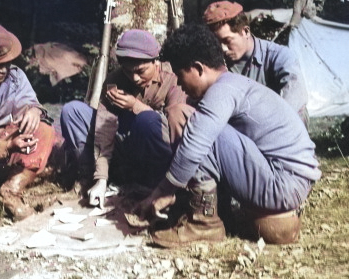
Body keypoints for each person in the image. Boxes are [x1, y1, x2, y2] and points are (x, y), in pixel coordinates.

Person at [136, 24, 321, 247]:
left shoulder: (223, 91)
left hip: (283, 184)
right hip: (289, 180)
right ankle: (213, 210)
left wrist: (164, 191)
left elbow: (196, 143)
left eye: (180, 76)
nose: (181, 87)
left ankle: (204, 224)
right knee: (197, 122)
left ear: (198, 68)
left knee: (195, 128)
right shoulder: (233, 84)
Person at [60, 29, 191, 208]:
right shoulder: (115, 80)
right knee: (73, 111)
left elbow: (174, 130)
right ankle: (88, 180)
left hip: (157, 160)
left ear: (156, 62)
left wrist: (134, 106)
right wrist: (101, 178)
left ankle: (153, 189)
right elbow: (104, 130)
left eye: (141, 71)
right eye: (128, 72)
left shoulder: (174, 79)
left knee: (147, 119)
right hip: (122, 152)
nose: (135, 78)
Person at [0, 25, 55, 221]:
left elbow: (29, 103)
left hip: (6, 140)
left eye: (7, 63)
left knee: (44, 130)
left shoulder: (15, 77)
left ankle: (11, 191)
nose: (3, 70)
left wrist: (32, 111)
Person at [203, 1, 309, 124]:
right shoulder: (216, 64)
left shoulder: (278, 55)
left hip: (275, 125)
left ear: (246, 32)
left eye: (227, 41)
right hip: (239, 127)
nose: (223, 49)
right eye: (217, 43)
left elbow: (296, 94)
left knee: (299, 113)